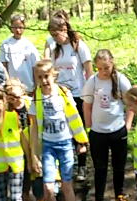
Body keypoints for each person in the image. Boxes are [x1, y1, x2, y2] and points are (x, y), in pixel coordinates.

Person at [30, 59, 89, 201]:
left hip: (65, 144)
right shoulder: (36, 97)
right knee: (48, 187)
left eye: (46, 76)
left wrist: (80, 141)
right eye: (40, 77)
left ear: (53, 75)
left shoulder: (63, 93)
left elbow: (74, 117)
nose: (44, 80)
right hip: (47, 145)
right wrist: (33, 154)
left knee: (66, 185)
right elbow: (33, 127)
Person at [82, 49, 133, 201]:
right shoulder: (92, 82)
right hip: (98, 132)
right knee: (100, 167)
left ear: (112, 64)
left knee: (119, 165)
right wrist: (88, 126)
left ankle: (119, 194)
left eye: (106, 68)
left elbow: (130, 104)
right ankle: (99, 200)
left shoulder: (120, 80)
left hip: (118, 130)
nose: (104, 71)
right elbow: (87, 105)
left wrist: (127, 125)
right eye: (100, 68)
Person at [47, 15, 92, 184]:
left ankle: (82, 166)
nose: (54, 38)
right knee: (64, 130)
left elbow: (88, 69)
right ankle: (66, 166)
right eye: (51, 35)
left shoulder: (78, 45)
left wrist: (89, 92)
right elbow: (52, 71)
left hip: (78, 94)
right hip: (61, 95)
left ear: (64, 30)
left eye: (55, 34)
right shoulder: (55, 49)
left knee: (78, 130)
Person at [0, 14, 40, 95]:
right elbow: (4, 65)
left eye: (20, 27)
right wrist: (8, 83)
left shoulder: (29, 45)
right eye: (15, 27)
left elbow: (35, 67)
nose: (18, 30)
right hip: (13, 88)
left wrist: (35, 85)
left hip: (28, 87)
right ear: (11, 28)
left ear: (24, 27)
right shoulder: (6, 44)